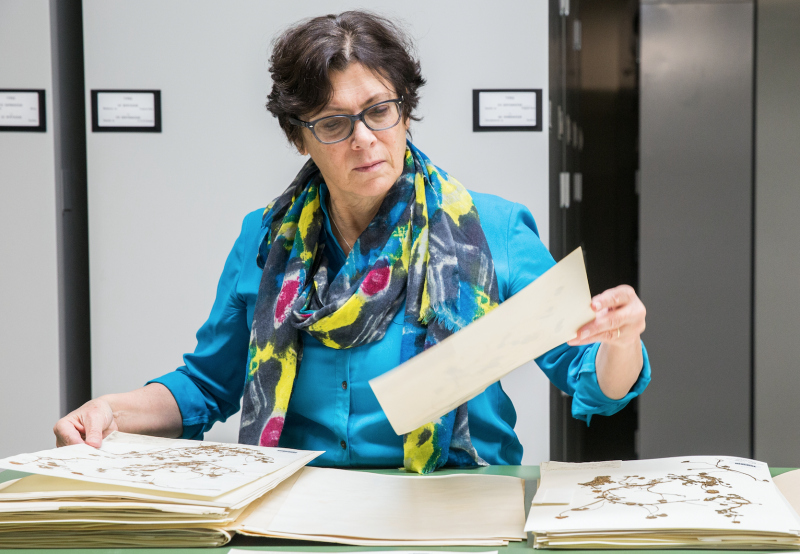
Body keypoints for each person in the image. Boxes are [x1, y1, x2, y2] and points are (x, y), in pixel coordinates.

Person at [54, 11, 650, 474]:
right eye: (335, 123)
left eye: (379, 111)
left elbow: (590, 376)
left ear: (406, 111)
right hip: (298, 499)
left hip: (457, 496)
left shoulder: (492, 232)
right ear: (299, 138)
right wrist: (112, 411)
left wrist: (619, 340)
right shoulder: (265, 239)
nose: (364, 139)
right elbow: (208, 386)